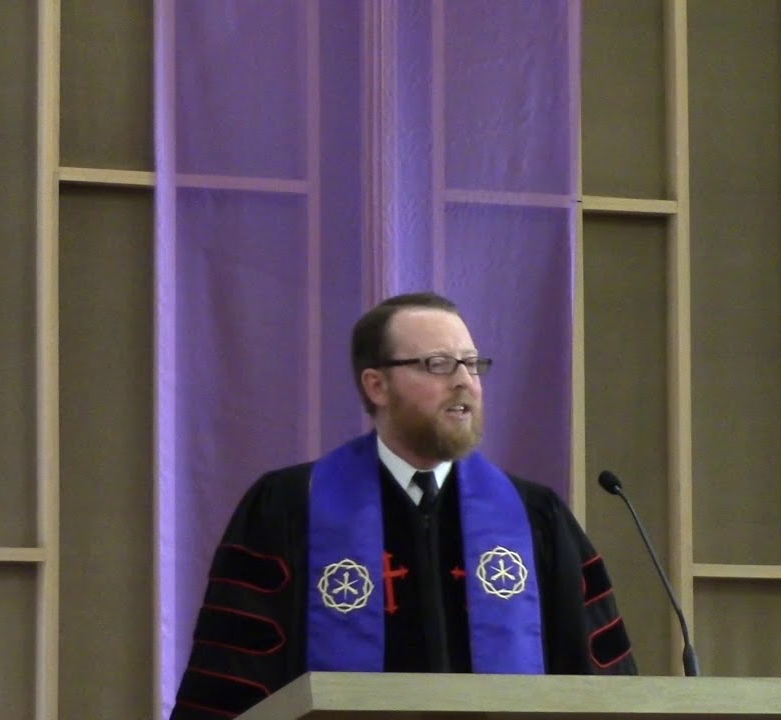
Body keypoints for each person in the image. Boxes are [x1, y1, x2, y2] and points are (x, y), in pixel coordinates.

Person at [170, 292, 636, 719]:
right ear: (377, 386)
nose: (464, 383)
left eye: (472, 365)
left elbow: (597, 683)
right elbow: (233, 680)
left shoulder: (535, 518)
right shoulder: (288, 508)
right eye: (438, 364)